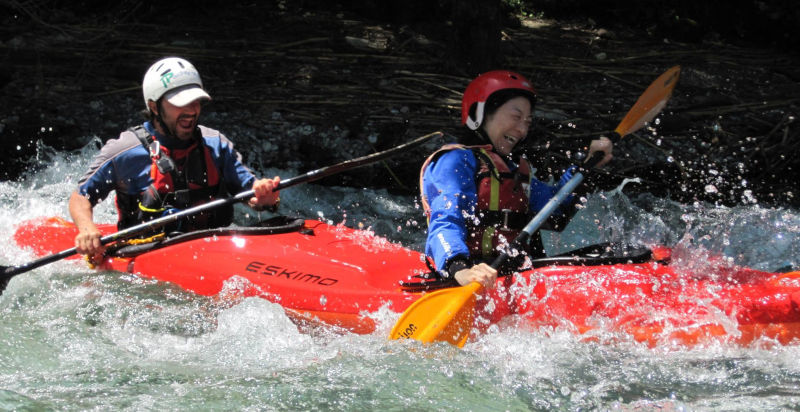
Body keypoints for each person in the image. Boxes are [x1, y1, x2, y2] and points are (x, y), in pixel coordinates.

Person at [69, 56, 281, 257]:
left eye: (196, 101)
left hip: (215, 252)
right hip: (146, 253)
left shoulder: (215, 144)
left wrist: (265, 197)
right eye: (180, 103)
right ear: (154, 106)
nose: (191, 110)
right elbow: (80, 198)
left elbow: (251, 193)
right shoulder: (125, 151)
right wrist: (87, 228)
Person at [419, 70, 613, 289]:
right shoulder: (455, 161)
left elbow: (555, 212)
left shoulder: (516, 170)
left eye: (528, 121)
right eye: (516, 116)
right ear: (480, 113)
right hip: (467, 274)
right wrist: (460, 269)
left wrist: (586, 167)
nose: (522, 129)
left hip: (512, 272)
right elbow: (446, 219)